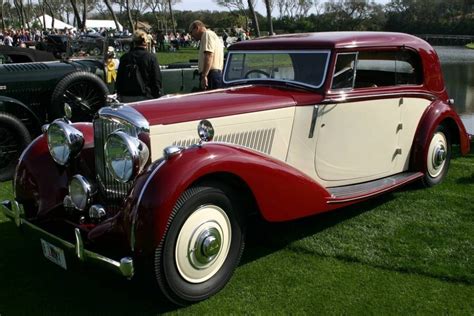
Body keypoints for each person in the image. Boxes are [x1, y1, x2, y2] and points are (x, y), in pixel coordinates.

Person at [116, 30, 162, 102]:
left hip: (126, 97)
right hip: (146, 97)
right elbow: (156, 79)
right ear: (146, 42)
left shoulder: (124, 58)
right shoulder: (151, 58)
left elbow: (119, 79)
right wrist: (157, 95)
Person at [188, 20, 224, 90]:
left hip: (211, 75)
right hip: (215, 75)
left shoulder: (207, 34)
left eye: (191, 32)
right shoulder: (212, 35)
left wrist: (204, 76)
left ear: (197, 28)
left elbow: (209, 55)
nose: (191, 35)